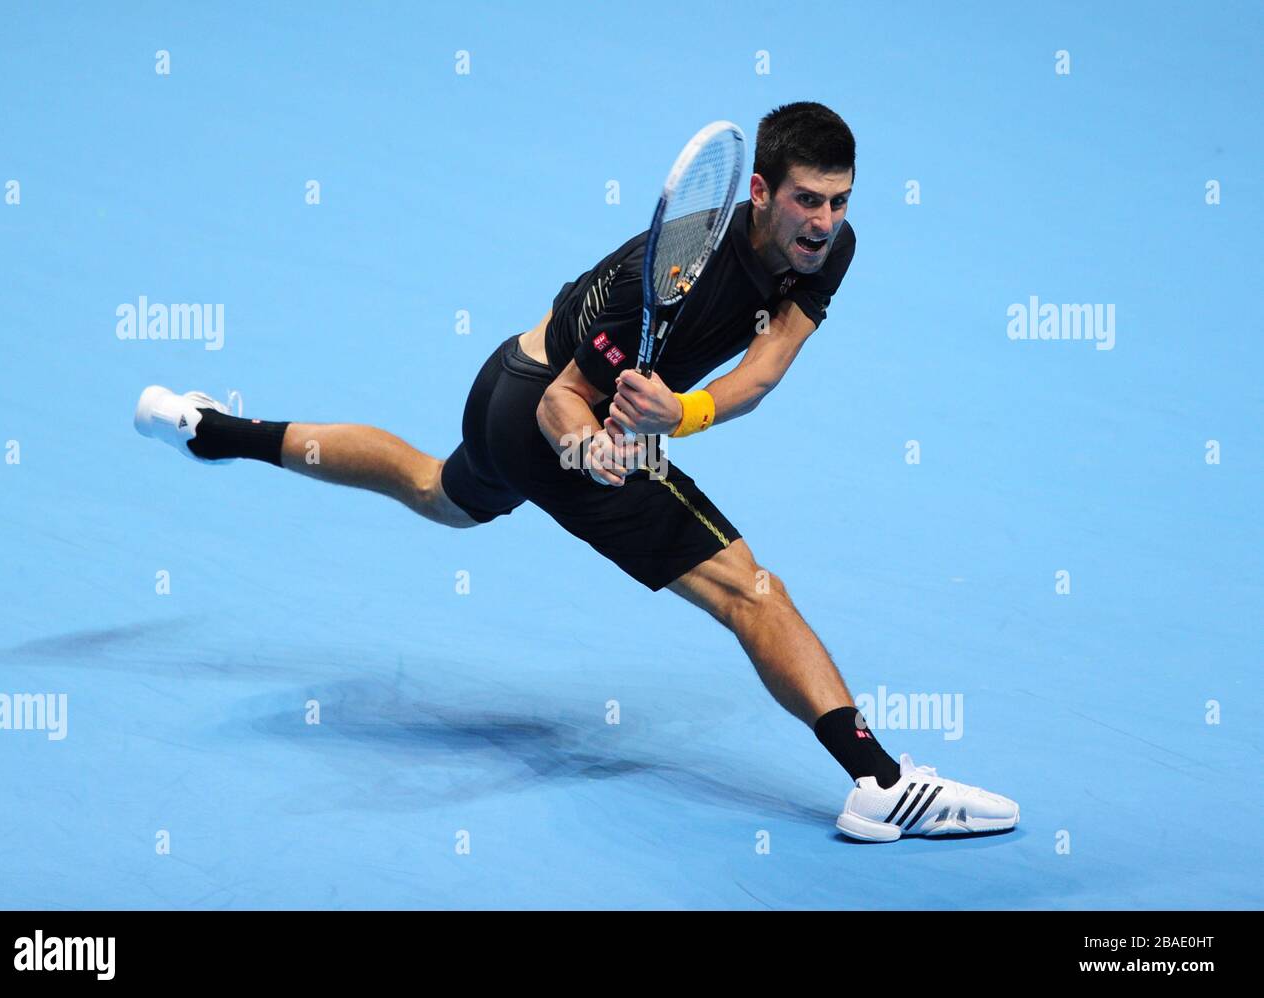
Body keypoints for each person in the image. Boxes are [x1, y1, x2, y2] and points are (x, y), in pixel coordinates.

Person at [133, 101, 1018, 841]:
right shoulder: (670, 267)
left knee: (434, 490)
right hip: (538, 407)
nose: (824, 222)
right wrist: (589, 448)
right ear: (759, 192)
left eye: (838, 201)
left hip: (500, 398)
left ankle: (219, 431)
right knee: (750, 592)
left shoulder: (830, 248)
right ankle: (880, 783)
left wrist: (686, 412)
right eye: (806, 201)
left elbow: (765, 367)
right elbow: (564, 399)